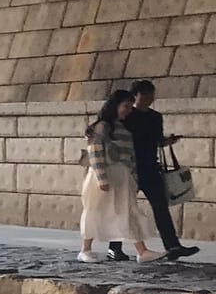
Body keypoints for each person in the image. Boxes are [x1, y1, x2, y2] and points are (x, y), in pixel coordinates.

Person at [112, 79, 198, 260]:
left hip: (151, 167)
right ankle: (115, 247)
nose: (149, 98)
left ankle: (173, 246)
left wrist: (167, 141)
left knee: (161, 207)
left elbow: (157, 140)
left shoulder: (155, 117)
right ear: (135, 96)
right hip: (130, 168)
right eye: (145, 94)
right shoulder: (127, 114)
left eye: (151, 94)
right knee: (124, 208)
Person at [79, 90, 162, 263]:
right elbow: (95, 151)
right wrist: (102, 177)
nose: (128, 110)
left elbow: (128, 155)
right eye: (125, 106)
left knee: (127, 211)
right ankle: (85, 249)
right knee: (97, 210)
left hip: (121, 176)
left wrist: (132, 176)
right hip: (107, 174)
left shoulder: (120, 127)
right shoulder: (103, 126)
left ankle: (142, 251)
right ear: (115, 106)